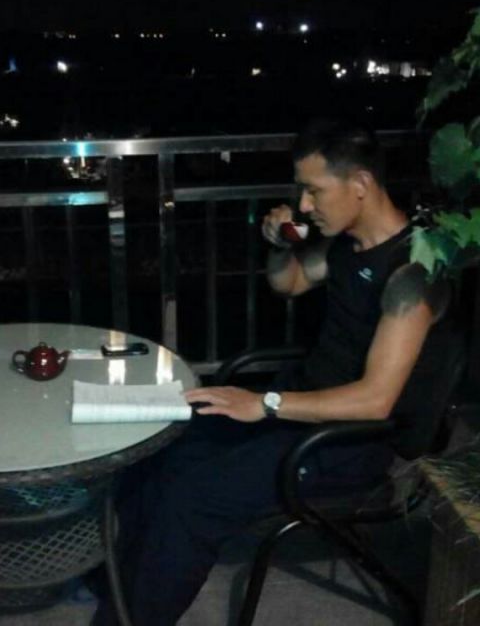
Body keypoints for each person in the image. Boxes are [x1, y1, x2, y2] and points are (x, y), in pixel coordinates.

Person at [91, 118, 451, 626]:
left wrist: (263, 404)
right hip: (297, 409)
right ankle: (116, 584)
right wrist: (282, 246)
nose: (304, 204)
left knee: (191, 497)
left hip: (346, 444)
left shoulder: (412, 273)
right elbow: (290, 282)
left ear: (361, 184)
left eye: (313, 190)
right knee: (157, 446)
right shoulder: (348, 244)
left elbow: (375, 400)